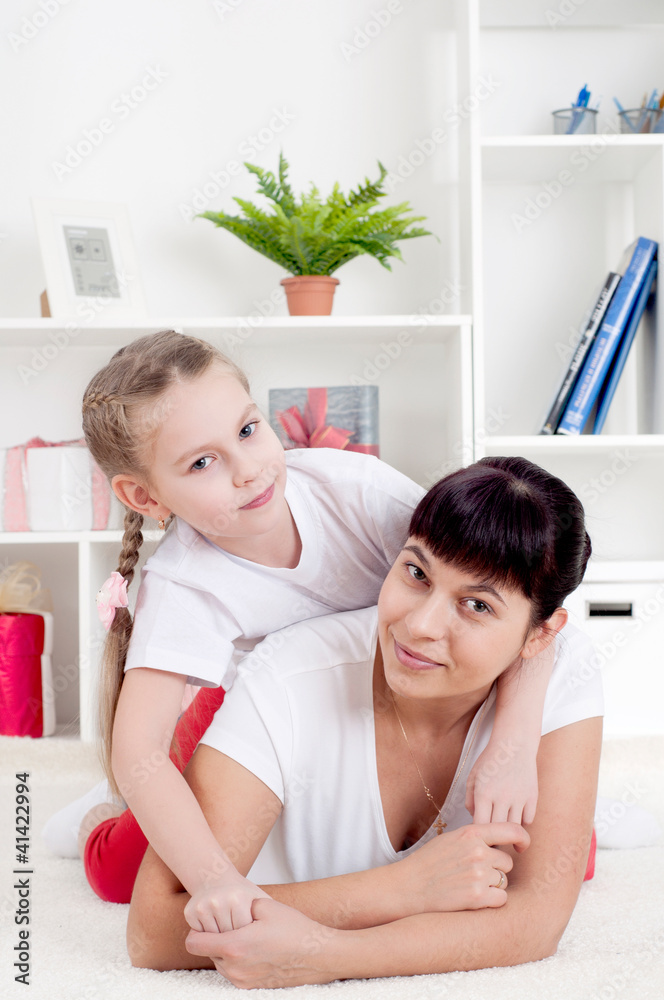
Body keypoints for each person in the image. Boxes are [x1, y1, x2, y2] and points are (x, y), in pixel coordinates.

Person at [45, 330, 558, 923]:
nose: (248, 471)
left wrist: (513, 749)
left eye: (247, 430)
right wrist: (215, 881)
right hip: (266, 729)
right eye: (203, 462)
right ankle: (95, 816)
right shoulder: (182, 585)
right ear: (145, 496)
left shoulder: (357, 492)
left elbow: (520, 607)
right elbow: (140, 750)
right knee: (123, 875)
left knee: (545, 845)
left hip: (403, 706)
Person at [126, 456, 603, 987]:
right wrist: (403, 889)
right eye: (416, 573)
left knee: (568, 856)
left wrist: (325, 955)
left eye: (475, 606)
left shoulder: (563, 669)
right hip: (214, 719)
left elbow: (535, 922)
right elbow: (152, 931)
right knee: (116, 857)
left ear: (541, 634)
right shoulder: (287, 676)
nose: (419, 626)